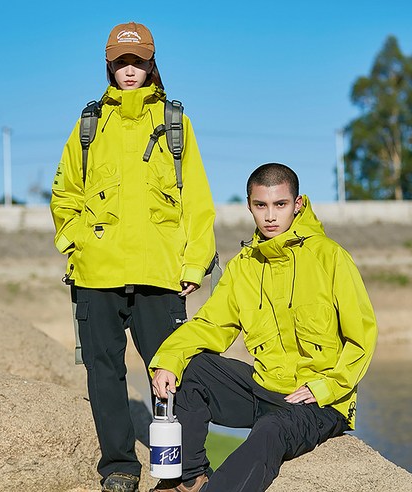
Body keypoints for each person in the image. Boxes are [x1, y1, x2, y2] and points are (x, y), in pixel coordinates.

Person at [50, 21, 216, 492]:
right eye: (121, 61)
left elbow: (197, 203)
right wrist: (76, 244)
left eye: (137, 61)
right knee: (104, 372)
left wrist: (192, 265)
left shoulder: (175, 122)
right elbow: (64, 194)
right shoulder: (89, 123)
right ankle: (120, 466)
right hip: (96, 273)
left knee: (172, 371)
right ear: (109, 64)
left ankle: (180, 469)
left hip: (159, 275)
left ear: (150, 63)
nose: (129, 69)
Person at [149, 163, 378, 492]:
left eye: (280, 205)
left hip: (320, 402)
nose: (270, 216)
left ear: (297, 204)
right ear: (249, 205)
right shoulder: (243, 267)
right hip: (265, 389)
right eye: (261, 205)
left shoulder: (330, 257)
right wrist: (168, 360)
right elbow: (210, 325)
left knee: (270, 430)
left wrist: (326, 388)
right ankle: (190, 477)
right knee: (191, 367)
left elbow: (362, 337)